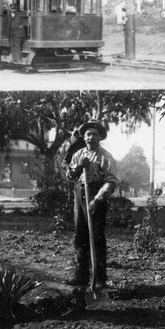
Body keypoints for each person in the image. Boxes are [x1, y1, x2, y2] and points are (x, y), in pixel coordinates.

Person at [66, 120, 118, 289]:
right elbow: (70, 175)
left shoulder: (105, 156)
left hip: (96, 196)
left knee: (96, 237)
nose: (91, 137)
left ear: (100, 137)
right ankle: (81, 277)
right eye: (88, 134)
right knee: (80, 236)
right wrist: (79, 167)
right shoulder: (78, 154)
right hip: (80, 193)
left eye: (95, 134)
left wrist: (98, 199)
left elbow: (111, 181)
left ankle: (100, 278)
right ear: (84, 137)